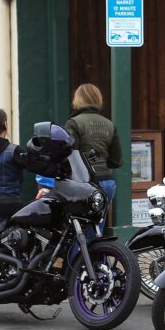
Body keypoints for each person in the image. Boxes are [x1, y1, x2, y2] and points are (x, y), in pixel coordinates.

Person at [65, 84, 121, 233]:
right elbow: (116, 161)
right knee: (97, 230)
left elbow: (69, 155)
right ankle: (97, 256)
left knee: (79, 233)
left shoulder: (74, 123)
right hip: (107, 183)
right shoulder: (110, 125)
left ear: (77, 99)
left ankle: (81, 257)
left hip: (83, 183)